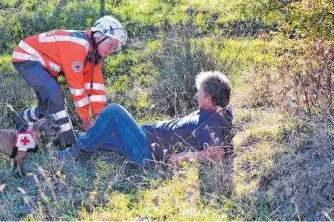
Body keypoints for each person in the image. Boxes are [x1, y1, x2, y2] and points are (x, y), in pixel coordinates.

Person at [54, 71, 233, 166]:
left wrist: (183, 157)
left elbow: (217, 155)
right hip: (144, 136)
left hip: (145, 151)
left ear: (209, 98)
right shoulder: (220, 111)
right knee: (99, 136)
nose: (196, 94)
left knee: (114, 111)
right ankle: (62, 137)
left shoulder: (210, 121)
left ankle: (73, 152)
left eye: (200, 92)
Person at [12, 16, 127, 147]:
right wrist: (87, 122)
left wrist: (100, 120)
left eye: (115, 48)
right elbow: (77, 88)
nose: (112, 51)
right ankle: (67, 142)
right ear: (98, 38)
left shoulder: (95, 55)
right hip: (26, 57)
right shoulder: (78, 48)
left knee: (50, 104)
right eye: (111, 45)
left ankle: (22, 119)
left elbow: (96, 90)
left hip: (41, 62)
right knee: (55, 96)